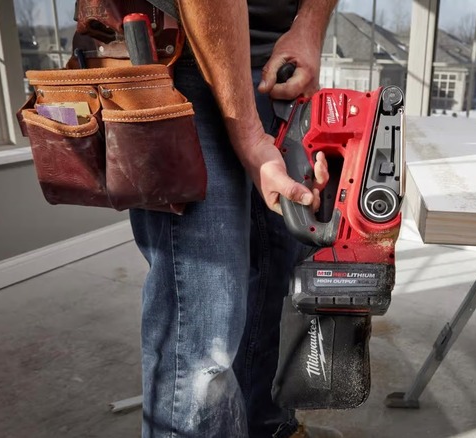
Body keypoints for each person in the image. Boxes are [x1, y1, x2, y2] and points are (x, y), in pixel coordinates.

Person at [129, 0, 340, 436]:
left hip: (270, 67)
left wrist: (308, 26)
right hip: (183, 56)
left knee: (275, 283)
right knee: (202, 329)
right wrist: (248, 137)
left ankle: (266, 426)